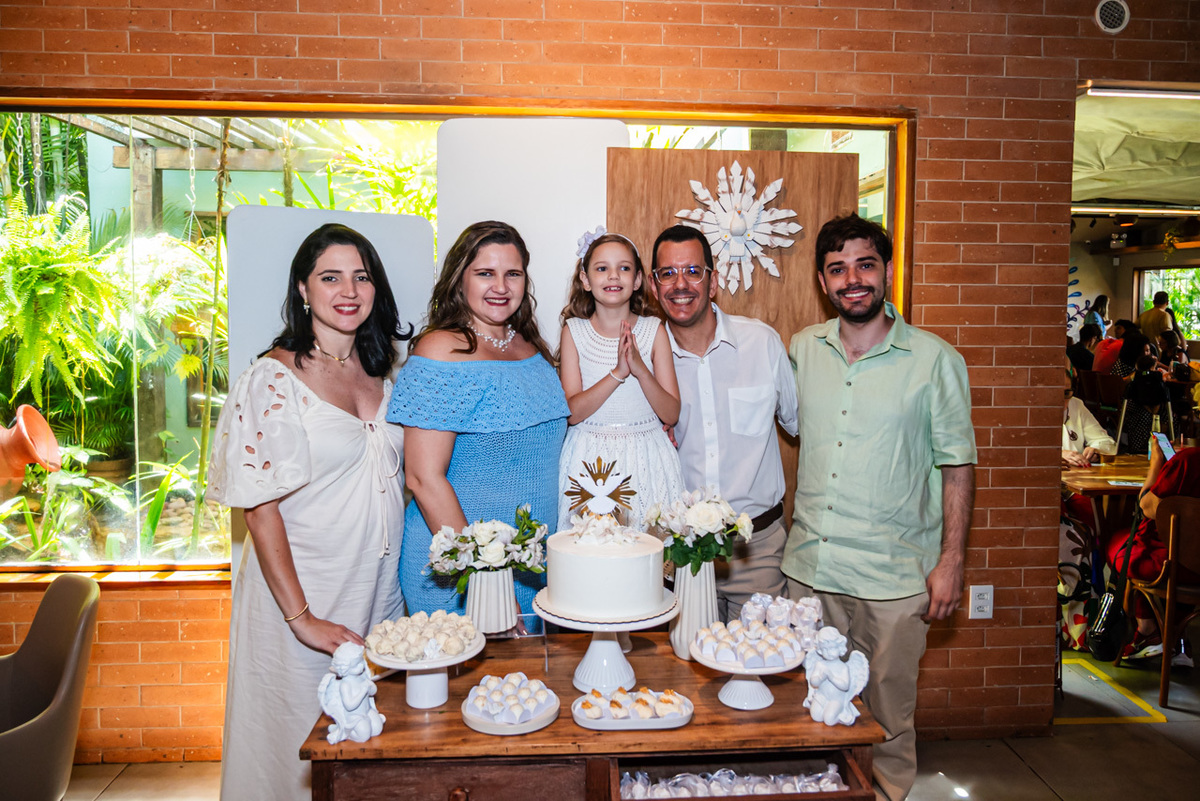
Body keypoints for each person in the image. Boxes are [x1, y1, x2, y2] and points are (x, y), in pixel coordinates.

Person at [208, 223, 409, 801]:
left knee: (368, 753)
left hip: (377, 596)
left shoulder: (381, 371)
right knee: (295, 749)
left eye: (361, 277)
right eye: (330, 277)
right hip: (302, 597)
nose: (348, 291)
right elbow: (259, 508)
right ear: (303, 289)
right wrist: (304, 619)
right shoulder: (272, 378)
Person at [782, 214, 975, 801]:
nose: (853, 280)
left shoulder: (935, 360)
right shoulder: (803, 349)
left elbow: (958, 466)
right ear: (822, 281)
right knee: (810, 712)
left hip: (893, 579)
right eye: (838, 269)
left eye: (865, 265)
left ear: (887, 270)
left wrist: (952, 562)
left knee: (888, 720)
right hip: (811, 573)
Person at [388, 221, 569, 616]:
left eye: (512, 274)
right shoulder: (440, 351)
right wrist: (485, 580)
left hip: (530, 570)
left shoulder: (531, 347)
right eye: (485, 273)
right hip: (462, 575)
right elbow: (422, 478)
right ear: (460, 279)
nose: (500, 286)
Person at [647, 225, 798, 622]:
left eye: (693, 272)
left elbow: (801, 425)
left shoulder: (762, 343)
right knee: (683, 659)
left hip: (757, 552)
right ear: (654, 286)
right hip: (679, 556)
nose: (681, 284)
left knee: (763, 659)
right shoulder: (644, 361)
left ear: (712, 282)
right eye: (668, 273)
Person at [556, 228, 684, 529]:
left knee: (650, 546)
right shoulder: (574, 332)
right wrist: (618, 373)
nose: (613, 276)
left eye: (624, 268)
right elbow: (572, 412)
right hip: (590, 458)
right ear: (586, 280)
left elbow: (671, 413)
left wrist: (639, 368)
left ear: (637, 280)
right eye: (602, 268)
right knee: (591, 547)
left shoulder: (654, 330)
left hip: (647, 456)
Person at [1104, 438, 1200, 664]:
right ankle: (1178, 637)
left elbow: (1147, 507)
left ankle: (1147, 630)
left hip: (1174, 566)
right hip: (1194, 565)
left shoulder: (1189, 460)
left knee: (1122, 545)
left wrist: (1157, 462)